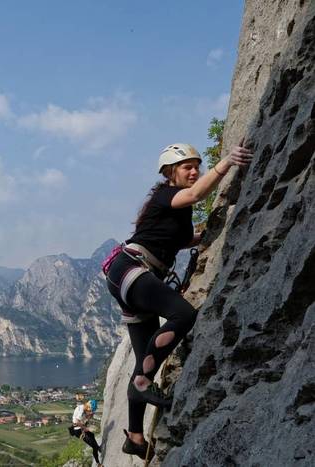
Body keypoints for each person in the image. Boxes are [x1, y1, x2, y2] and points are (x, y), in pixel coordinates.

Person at [103, 142, 253, 460]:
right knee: (183, 315)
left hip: (129, 274)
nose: (194, 171)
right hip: (132, 268)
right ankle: (143, 381)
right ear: (171, 173)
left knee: (144, 359)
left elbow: (178, 237)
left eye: (197, 166)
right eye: (187, 167)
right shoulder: (166, 195)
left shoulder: (177, 210)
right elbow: (196, 194)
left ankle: (135, 437)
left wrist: (202, 236)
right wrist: (226, 162)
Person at [69, 399, 102, 465]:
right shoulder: (81, 410)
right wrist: (85, 428)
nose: (90, 411)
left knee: (92, 435)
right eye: (90, 410)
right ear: (88, 406)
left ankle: (98, 448)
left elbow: (86, 418)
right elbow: (77, 422)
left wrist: (90, 415)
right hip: (78, 431)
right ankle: (98, 463)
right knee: (93, 446)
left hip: (80, 428)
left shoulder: (83, 408)